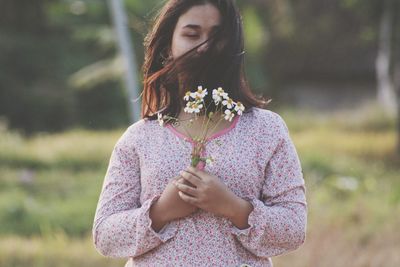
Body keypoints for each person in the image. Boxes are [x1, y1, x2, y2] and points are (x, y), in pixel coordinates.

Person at [92, 0, 307, 266]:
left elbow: (295, 228)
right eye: (191, 34)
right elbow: (104, 235)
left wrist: (234, 207)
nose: (205, 47)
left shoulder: (266, 129)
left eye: (217, 37)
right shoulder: (139, 138)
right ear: (167, 45)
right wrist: (160, 212)